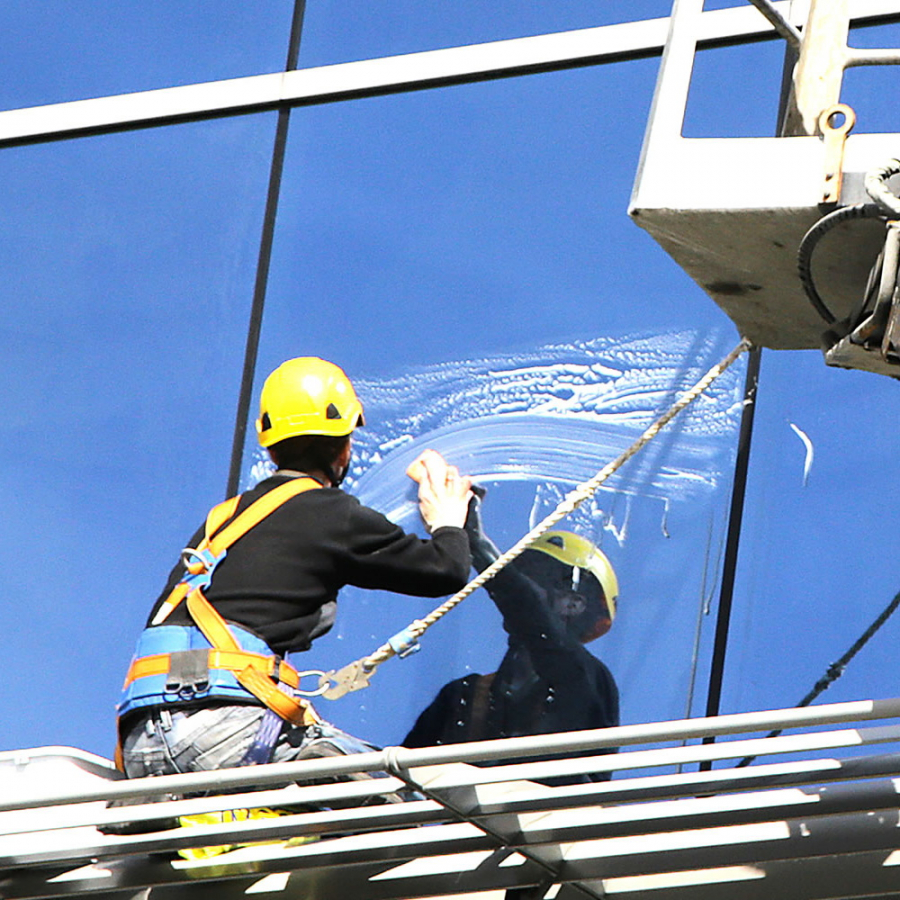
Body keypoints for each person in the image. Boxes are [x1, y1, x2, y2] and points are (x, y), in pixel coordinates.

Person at [116, 356, 473, 781]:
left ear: (269, 447)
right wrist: (448, 521)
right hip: (223, 732)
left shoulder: (223, 521)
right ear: (344, 448)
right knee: (407, 799)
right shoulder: (331, 513)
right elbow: (445, 571)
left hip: (140, 745)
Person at [403, 490, 619, 782]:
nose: (517, 588)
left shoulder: (586, 678)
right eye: (519, 576)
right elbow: (397, 784)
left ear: (572, 603)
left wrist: (479, 547)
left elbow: (533, 618)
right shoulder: (463, 696)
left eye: (532, 578)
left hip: (553, 822)